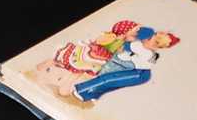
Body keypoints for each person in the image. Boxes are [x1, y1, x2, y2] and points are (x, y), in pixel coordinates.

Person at [30, 20, 179, 106]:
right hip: (91, 56)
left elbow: (131, 51)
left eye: (156, 42)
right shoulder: (118, 40)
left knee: (79, 71)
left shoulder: (138, 47)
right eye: (153, 38)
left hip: (104, 61)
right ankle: (61, 82)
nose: (146, 39)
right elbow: (109, 46)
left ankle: (72, 89)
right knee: (74, 67)